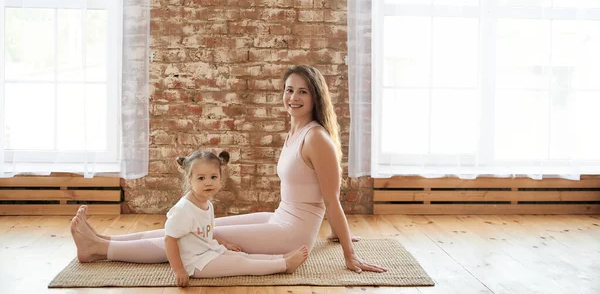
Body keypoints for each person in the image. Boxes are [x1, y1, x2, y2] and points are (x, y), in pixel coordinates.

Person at [70, 65, 386, 274]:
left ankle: (100, 249)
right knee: (200, 223)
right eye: (289, 89)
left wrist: (348, 254)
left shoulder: (316, 138)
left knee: (195, 235)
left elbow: (331, 199)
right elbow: (311, 191)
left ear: (316, 96)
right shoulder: (295, 131)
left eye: (303, 91)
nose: (293, 97)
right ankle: (106, 238)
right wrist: (331, 233)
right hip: (280, 217)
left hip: (291, 233)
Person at [165, 150, 308, 286]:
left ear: (221, 177)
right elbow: (170, 240)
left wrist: (225, 244)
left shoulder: (206, 203)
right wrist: (179, 270)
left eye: (213, 177)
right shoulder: (183, 210)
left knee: (243, 256)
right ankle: (283, 265)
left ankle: (280, 258)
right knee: (241, 264)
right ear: (189, 180)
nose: (208, 182)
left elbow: (203, 232)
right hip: (195, 263)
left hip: (209, 252)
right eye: (201, 178)